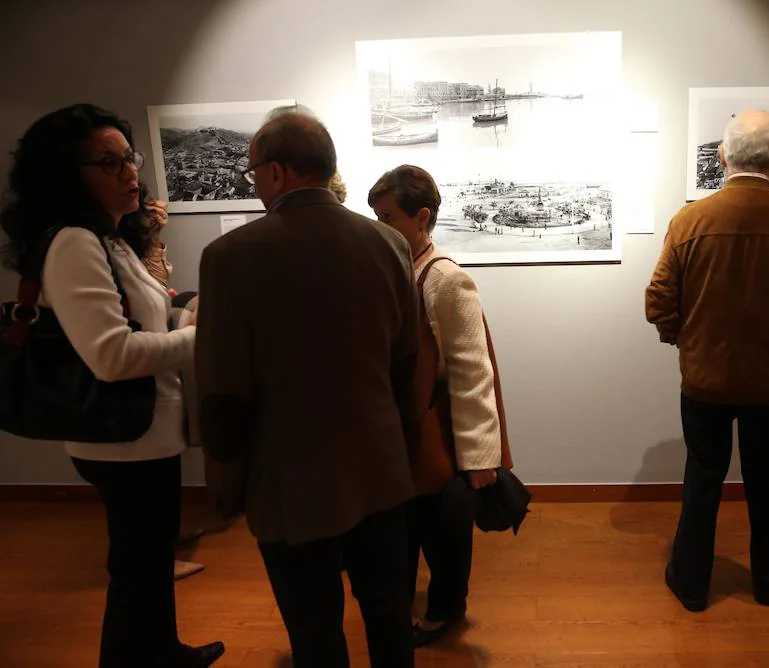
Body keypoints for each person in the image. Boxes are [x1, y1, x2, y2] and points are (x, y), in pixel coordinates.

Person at [0, 103, 224, 666]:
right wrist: (206, 338)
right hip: (123, 436)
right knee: (136, 569)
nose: (129, 172)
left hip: (143, 434)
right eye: (109, 162)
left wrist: (182, 318)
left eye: (129, 157)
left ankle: (163, 651)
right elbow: (113, 356)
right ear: (67, 175)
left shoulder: (111, 237)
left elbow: (142, 322)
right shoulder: (75, 242)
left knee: (147, 564)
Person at [195, 111, 419, 668]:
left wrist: (225, 484)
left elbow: (224, 389)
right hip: (382, 470)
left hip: (289, 480)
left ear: (275, 172)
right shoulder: (389, 244)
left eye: (253, 174)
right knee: (390, 620)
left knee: (314, 631)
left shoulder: (229, 257)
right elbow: (407, 362)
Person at [645, 109, 769, 612]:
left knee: (702, 476)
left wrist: (686, 343)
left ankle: (691, 582)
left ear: (722, 156)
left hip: (704, 382)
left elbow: (659, 302)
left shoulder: (689, 221)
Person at [368, 165, 512, 647]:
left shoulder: (445, 279)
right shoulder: (398, 270)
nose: (379, 224)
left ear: (422, 216)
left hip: (440, 437)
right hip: (408, 434)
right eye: (376, 215)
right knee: (410, 528)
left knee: (445, 533)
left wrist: (480, 458)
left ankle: (446, 610)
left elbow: (473, 375)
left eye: (387, 215)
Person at [119, 190, 206, 581]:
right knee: (142, 499)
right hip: (133, 410)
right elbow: (121, 349)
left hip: (153, 404)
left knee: (160, 489)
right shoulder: (114, 255)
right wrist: (193, 334)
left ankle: (165, 541)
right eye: (157, 252)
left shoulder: (127, 254)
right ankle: (158, 555)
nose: (165, 262)